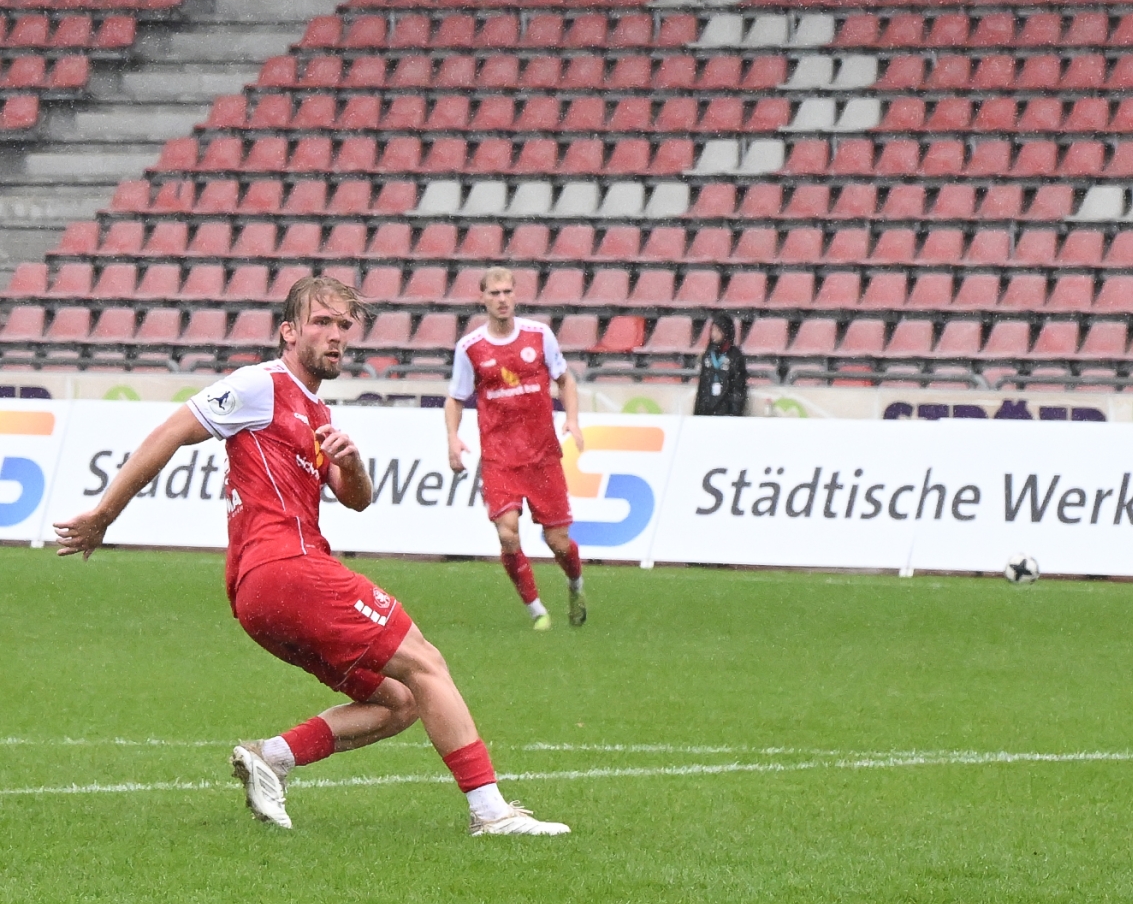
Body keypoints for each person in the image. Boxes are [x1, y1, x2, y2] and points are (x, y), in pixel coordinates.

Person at [54, 274, 569, 837]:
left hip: (259, 598)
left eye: (343, 325)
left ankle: (271, 756)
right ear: (289, 332)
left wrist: (353, 464)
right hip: (287, 569)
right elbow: (172, 431)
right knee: (426, 663)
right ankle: (491, 812)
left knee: (400, 701)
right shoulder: (260, 384)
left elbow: (357, 500)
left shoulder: (318, 414)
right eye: (321, 322)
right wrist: (104, 515)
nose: (335, 335)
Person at [445, 266, 587, 630]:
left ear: (515, 295)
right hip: (500, 458)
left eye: (507, 292)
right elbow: (456, 398)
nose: (502, 299)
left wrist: (572, 419)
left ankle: (575, 583)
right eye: (494, 293)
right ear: (483, 298)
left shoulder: (539, 336)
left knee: (558, 542)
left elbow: (565, 380)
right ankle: (537, 611)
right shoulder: (470, 348)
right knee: (507, 533)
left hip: (542, 456)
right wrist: (453, 438)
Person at [693, 312, 747, 416]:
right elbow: (702, 386)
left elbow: (738, 387)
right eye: (712, 330)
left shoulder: (735, 356)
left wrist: (734, 412)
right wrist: (698, 412)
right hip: (707, 411)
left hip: (726, 412)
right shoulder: (708, 354)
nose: (714, 334)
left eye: (718, 330)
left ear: (726, 331)